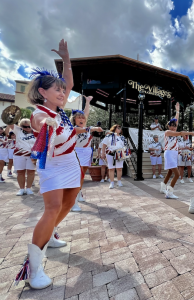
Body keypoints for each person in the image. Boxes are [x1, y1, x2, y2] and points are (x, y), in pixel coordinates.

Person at [14, 39, 95, 289]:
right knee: (52, 208)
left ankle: (52, 233)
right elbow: (37, 121)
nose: (62, 93)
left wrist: (67, 60)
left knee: (70, 202)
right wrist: (42, 124)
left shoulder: (59, 110)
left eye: (62, 91)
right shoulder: (41, 112)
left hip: (71, 162)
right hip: (52, 166)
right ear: (42, 93)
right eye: (56, 90)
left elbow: (69, 82)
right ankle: (33, 269)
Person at [70, 98, 103, 211]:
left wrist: (88, 102)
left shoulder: (86, 128)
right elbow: (88, 127)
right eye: (79, 117)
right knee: (76, 176)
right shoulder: (73, 128)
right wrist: (94, 128)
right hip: (76, 152)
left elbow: (86, 113)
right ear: (74, 120)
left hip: (87, 152)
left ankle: (78, 193)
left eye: (83, 117)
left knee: (82, 175)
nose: (81, 119)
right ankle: (73, 201)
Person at [160, 117, 194, 198]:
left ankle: (163, 188)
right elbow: (180, 133)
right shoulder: (167, 132)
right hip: (169, 153)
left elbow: (177, 123)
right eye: (172, 126)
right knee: (177, 174)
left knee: (170, 172)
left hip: (174, 154)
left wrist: (177, 111)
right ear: (168, 126)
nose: (173, 127)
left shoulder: (175, 134)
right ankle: (169, 193)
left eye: (175, 126)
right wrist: (190, 133)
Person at [5, 119, 37, 195]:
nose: (27, 128)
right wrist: (12, 116)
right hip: (19, 155)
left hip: (32, 155)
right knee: (20, 172)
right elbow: (9, 122)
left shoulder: (36, 132)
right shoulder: (18, 130)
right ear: (21, 126)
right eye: (24, 126)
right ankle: (21, 189)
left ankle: (28, 188)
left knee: (31, 172)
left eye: (29, 126)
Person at [101, 124, 128, 189]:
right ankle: (112, 182)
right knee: (111, 168)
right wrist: (103, 153)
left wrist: (125, 152)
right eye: (118, 128)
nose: (120, 129)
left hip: (120, 153)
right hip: (111, 153)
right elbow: (104, 145)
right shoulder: (109, 136)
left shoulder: (122, 137)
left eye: (120, 128)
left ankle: (119, 181)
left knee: (119, 168)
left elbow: (125, 145)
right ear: (114, 128)